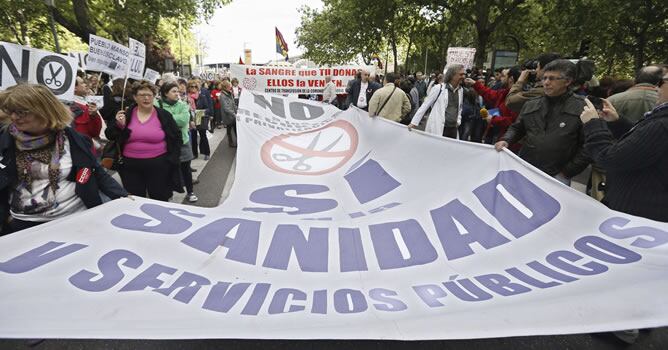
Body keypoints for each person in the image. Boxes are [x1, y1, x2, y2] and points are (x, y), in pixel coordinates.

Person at [0, 84, 127, 235]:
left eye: (22, 112)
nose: (14, 117)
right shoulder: (5, 141)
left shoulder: (73, 138)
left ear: (44, 110)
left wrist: (123, 197)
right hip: (23, 226)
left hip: (75, 221)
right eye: (11, 111)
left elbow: (96, 171)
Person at [580, 73, 668, 222]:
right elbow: (644, 144)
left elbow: (610, 159)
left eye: (661, 82)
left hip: (637, 215)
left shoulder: (662, 124)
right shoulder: (661, 121)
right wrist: (617, 122)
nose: (655, 87)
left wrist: (593, 124)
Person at [495, 59, 590, 185]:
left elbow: (588, 145)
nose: (546, 82)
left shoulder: (583, 108)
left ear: (568, 81)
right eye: (544, 78)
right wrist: (506, 139)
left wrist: (567, 171)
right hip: (525, 168)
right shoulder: (531, 104)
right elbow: (517, 127)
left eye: (552, 78)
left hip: (557, 177)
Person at [105, 81, 182, 201]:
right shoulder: (126, 114)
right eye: (142, 95)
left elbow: (177, 137)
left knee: (159, 198)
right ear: (135, 97)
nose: (146, 98)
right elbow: (110, 135)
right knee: (135, 200)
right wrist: (119, 126)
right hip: (130, 167)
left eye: (149, 95)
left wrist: (172, 159)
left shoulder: (163, 115)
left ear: (154, 96)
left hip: (158, 165)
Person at [156, 82, 198, 203]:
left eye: (177, 91)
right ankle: (169, 193)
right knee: (168, 170)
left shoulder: (182, 105)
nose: (177, 94)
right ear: (165, 93)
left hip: (182, 142)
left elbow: (183, 120)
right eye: (174, 91)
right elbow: (157, 121)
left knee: (186, 169)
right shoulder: (157, 105)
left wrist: (166, 118)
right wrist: (173, 118)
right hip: (166, 143)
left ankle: (190, 192)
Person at [465, 66, 521, 145]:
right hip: (497, 136)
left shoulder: (518, 99)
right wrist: (475, 84)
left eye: (503, 76)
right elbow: (489, 93)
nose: (500, 78)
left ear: (511, 79)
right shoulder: (504, 93)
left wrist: (493, 119)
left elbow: (513, 122)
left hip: (507, 141)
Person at [409, 64, 465, 139]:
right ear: (452, 75)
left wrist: (458, 120)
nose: (463, 77)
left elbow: (459, 108)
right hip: (439, 128)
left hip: (453, 130)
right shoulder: (438, 88)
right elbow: (425, 105)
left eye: (464, 74)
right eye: (461, 74)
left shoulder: (460, 90)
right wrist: (414, 123)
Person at [70, 76, 102, 154]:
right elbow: (90, 132)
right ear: (75, 88)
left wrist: (94, 115)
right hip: (82, 151)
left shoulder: (86, 104)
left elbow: (94, 132)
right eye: (82, 83)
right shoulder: (76, 107)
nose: (86, 85)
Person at [188, 79, 212, 160]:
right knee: (193, 137)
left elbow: (207, 109)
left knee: (203, 136)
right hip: (191, 120)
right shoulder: (186, 98)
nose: (193, 88)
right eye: (191, 86)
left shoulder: (202, 97)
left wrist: (199, 112)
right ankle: (194, 154)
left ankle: (206, 153)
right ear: (189, 88)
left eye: (195, 86)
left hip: (200, 118)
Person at [219, 80, 238, 148]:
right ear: (226, 86)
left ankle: (237, 141)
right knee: (229, 130)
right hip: (228, 116)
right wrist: (234, 114)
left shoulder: (229, 93)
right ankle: (231, 142)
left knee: (235, 129)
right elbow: (226, 108)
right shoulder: (222, 96)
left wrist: (237, 110)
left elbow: (233, 104)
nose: (231, 86)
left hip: (232, 115)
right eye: (229, 85)